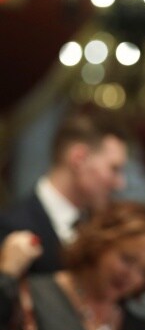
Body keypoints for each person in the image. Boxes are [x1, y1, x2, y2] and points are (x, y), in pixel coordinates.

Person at [0, 200, 145, 330]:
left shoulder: (136, 328)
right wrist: (6, 274)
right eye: (127, 259)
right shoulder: (33, 296)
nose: (132, 276)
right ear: (100, 243)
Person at [0, 108, 129, 273]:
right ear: (79, 158)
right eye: (114, 168)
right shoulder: (10, 228)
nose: (120, 184)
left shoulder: (103, 231)